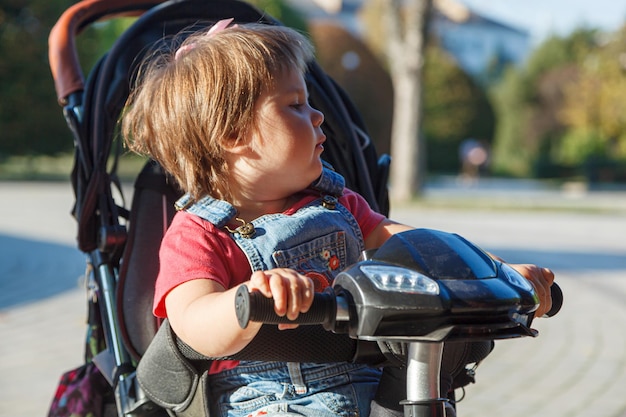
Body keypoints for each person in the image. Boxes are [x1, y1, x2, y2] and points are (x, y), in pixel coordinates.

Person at [122, 20, 555, 417]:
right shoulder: (199, 233)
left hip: (376, 386)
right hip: (271, 401)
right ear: (233, 135)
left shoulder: (336, 202)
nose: (317, 115)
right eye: (294, 105)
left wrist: (497, 275)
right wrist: (248, 302)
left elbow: (426, 250)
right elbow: (191, 322)